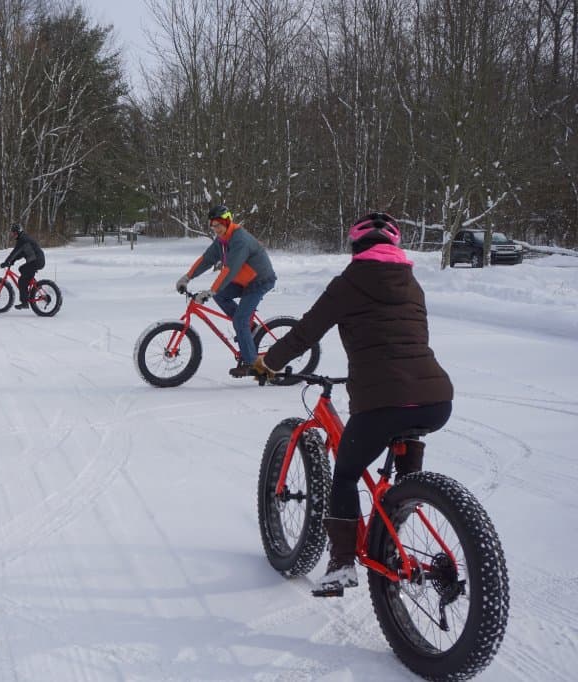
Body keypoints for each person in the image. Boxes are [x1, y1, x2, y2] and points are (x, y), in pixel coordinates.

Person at [253, 212, 453, 595]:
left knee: (345, 473)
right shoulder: (412, 283)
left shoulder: (349, 283)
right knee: (401, 445)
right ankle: (402, 510)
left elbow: (306, 332)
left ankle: (342, 562)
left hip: (382, 400)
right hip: (435, 398)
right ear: (394, 247)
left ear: (355, 248)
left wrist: (267, 362)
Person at [175, 205, 277, 377]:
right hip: (244, 281)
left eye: (218, 225)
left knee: (239, 319)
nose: (215, 229)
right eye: (212, 226)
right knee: (223, 297)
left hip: (260, 281)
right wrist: (187, 277)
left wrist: (211, 290)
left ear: (227, 222)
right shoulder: (222, 240)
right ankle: (249, 327)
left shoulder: (239, 240)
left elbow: (229, 269)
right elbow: (207, 259)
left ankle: (251, 363)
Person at [0, 223, 45, 309]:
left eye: (14, 233)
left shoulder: (22, 240)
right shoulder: (24, 238)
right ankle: (33, 284)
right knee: (22, 269)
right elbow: (20, 253)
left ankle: (25, 302)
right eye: (12, 233)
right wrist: (12, 261)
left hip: (36, 261)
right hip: (37, 260)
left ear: (18, 232)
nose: (13, 235)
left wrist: (7, 262)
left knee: (22, 281)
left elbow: (14, 252)